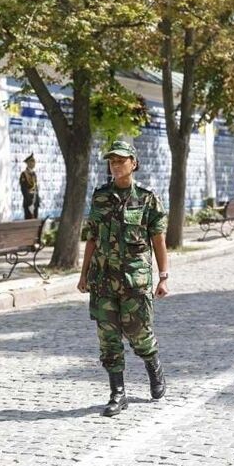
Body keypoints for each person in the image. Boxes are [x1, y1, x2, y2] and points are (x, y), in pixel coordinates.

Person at [76, 140, 169, 417]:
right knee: (108, 339)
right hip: (103, 280)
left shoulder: (147, 199)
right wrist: (84, 274)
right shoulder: (100, 197)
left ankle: (153, 365)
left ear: (133, 163)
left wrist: (163, 277)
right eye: (112, 161)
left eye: (121, 160)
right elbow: (92, 237)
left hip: (134, 282)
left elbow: (158, 240)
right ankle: (118, 393)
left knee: (140, 335)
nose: (115, 165)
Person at [19, 154, 41, 219]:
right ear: (28, 163)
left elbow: (35, 188)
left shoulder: (34, 174)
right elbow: (24, 189)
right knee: (29, 220)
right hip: (29, 202)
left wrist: (37, 200)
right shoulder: (24, 174)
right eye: (32, 161)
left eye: (34, 161)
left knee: (35, 220)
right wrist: (30, 203)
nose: (34, 163)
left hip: (35, 200)